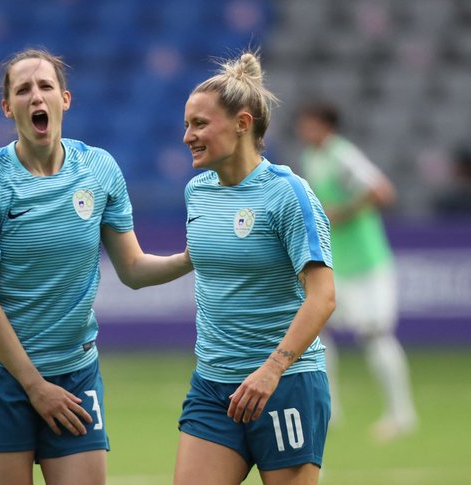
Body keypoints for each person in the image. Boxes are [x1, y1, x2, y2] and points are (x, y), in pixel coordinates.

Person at [0, 48, 192, 485]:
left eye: (45, 86)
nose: (35, 96)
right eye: (23, 89)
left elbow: (134, 269)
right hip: (4, 376)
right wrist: (34, 386)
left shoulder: (99, 170)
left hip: (75, 371)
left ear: (65, 99)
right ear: (8, 107)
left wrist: (192, 258)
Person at [174, 51, 336, 485]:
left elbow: (323, 297)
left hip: (284, 386)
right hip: (212, 387)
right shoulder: (197, 192)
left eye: (200, 124)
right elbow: (199, 260)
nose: (187, 135)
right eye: (187, 124)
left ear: (243, 124)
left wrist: (271, 369)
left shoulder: (288, 194)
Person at [296, 102, 418, 442]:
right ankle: (329, 409)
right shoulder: (313, 157)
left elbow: (382, 192)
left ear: (324, 124)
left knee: (375, 333)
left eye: (308, 123)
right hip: (341, 263)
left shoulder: (342, 156)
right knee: (319, 330)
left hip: (368, 263)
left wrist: (343, 213)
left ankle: (401, 413)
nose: (302, 130)